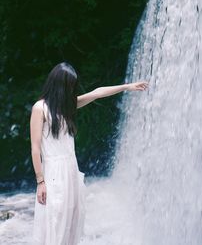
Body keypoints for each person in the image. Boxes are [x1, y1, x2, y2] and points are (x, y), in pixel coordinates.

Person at [30, 62, 148, 245]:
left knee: (71, 219)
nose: (71, 90)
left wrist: (127, 87)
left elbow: (97, 92)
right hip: (53, 172)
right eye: (69, 86)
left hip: (70, 170)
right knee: (55, 219)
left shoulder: (67, 107)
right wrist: (40, 182)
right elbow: (35, 147)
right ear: (59, 85)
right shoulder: (40, 108)